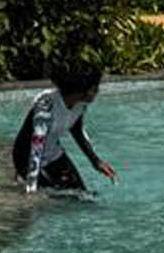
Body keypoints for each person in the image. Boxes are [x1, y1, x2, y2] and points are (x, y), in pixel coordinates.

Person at [14, 63, 117, 195]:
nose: (98, 91)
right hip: (27, 157)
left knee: (82, 194)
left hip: (53, 153)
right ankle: (21, 176)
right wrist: (31, 186)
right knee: (54, 196)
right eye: (95, 88)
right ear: (82, 90)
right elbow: (37, 145)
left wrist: (96, 162)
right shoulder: (46, 104)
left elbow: (77, 131)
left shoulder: (80, 104)